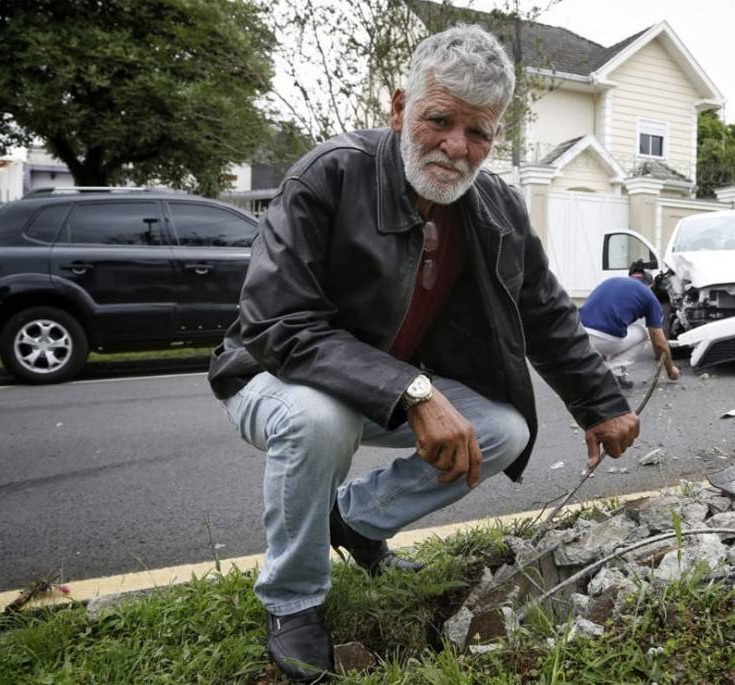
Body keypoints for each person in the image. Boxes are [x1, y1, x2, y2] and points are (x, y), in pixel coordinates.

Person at [208, 24, 638, 682]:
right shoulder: (330, 174)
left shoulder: (494, 206)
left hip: (383, 387)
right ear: (400, 106)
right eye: (439, 120)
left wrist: (600, 403)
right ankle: (293, 598)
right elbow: (277, 321)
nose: (456, 148)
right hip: (273, 373)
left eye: (478, 134)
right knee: (322, 418)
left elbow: (545, 309)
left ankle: (353, 520)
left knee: (503, 429)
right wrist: (412, 390)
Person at [580, 262, 680, 389]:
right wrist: (671, 369)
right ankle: (611, 371)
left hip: (578, 336)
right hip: (601, 339)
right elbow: (659, 342)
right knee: (644, 333)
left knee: (620, 330)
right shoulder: (649, 296)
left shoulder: (612, 281)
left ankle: (597, 368)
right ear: (650, 285)